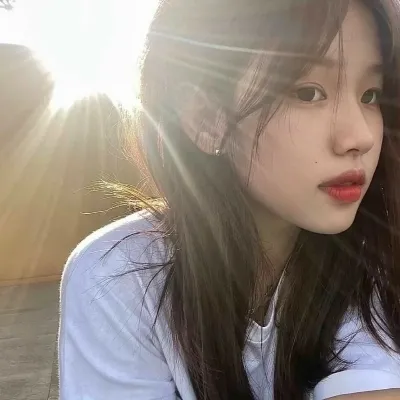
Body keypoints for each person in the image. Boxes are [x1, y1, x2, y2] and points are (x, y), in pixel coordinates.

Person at [58, 0, 400, 399]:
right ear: (205, 120)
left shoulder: (364, 263)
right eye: (308, 93)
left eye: (370, 95)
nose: (360, 137)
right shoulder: (122, 277)